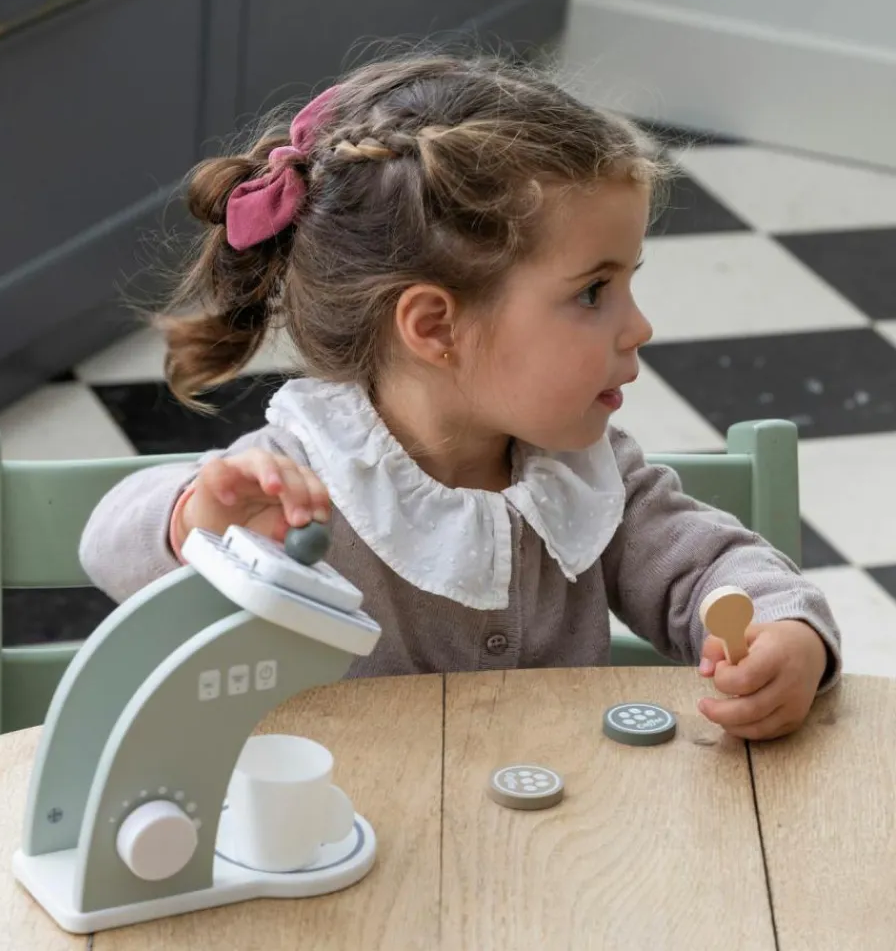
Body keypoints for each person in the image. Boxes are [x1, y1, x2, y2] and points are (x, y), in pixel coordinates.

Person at [80, 51, 841, 741]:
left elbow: (711, 569)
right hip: (357, 832)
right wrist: (197, 523)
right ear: (435, 326)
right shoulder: (304, 481)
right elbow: (108, 548)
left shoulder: (586, 475)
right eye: (593, 292)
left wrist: (786, 634)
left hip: (565, 824)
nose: (638, 327)